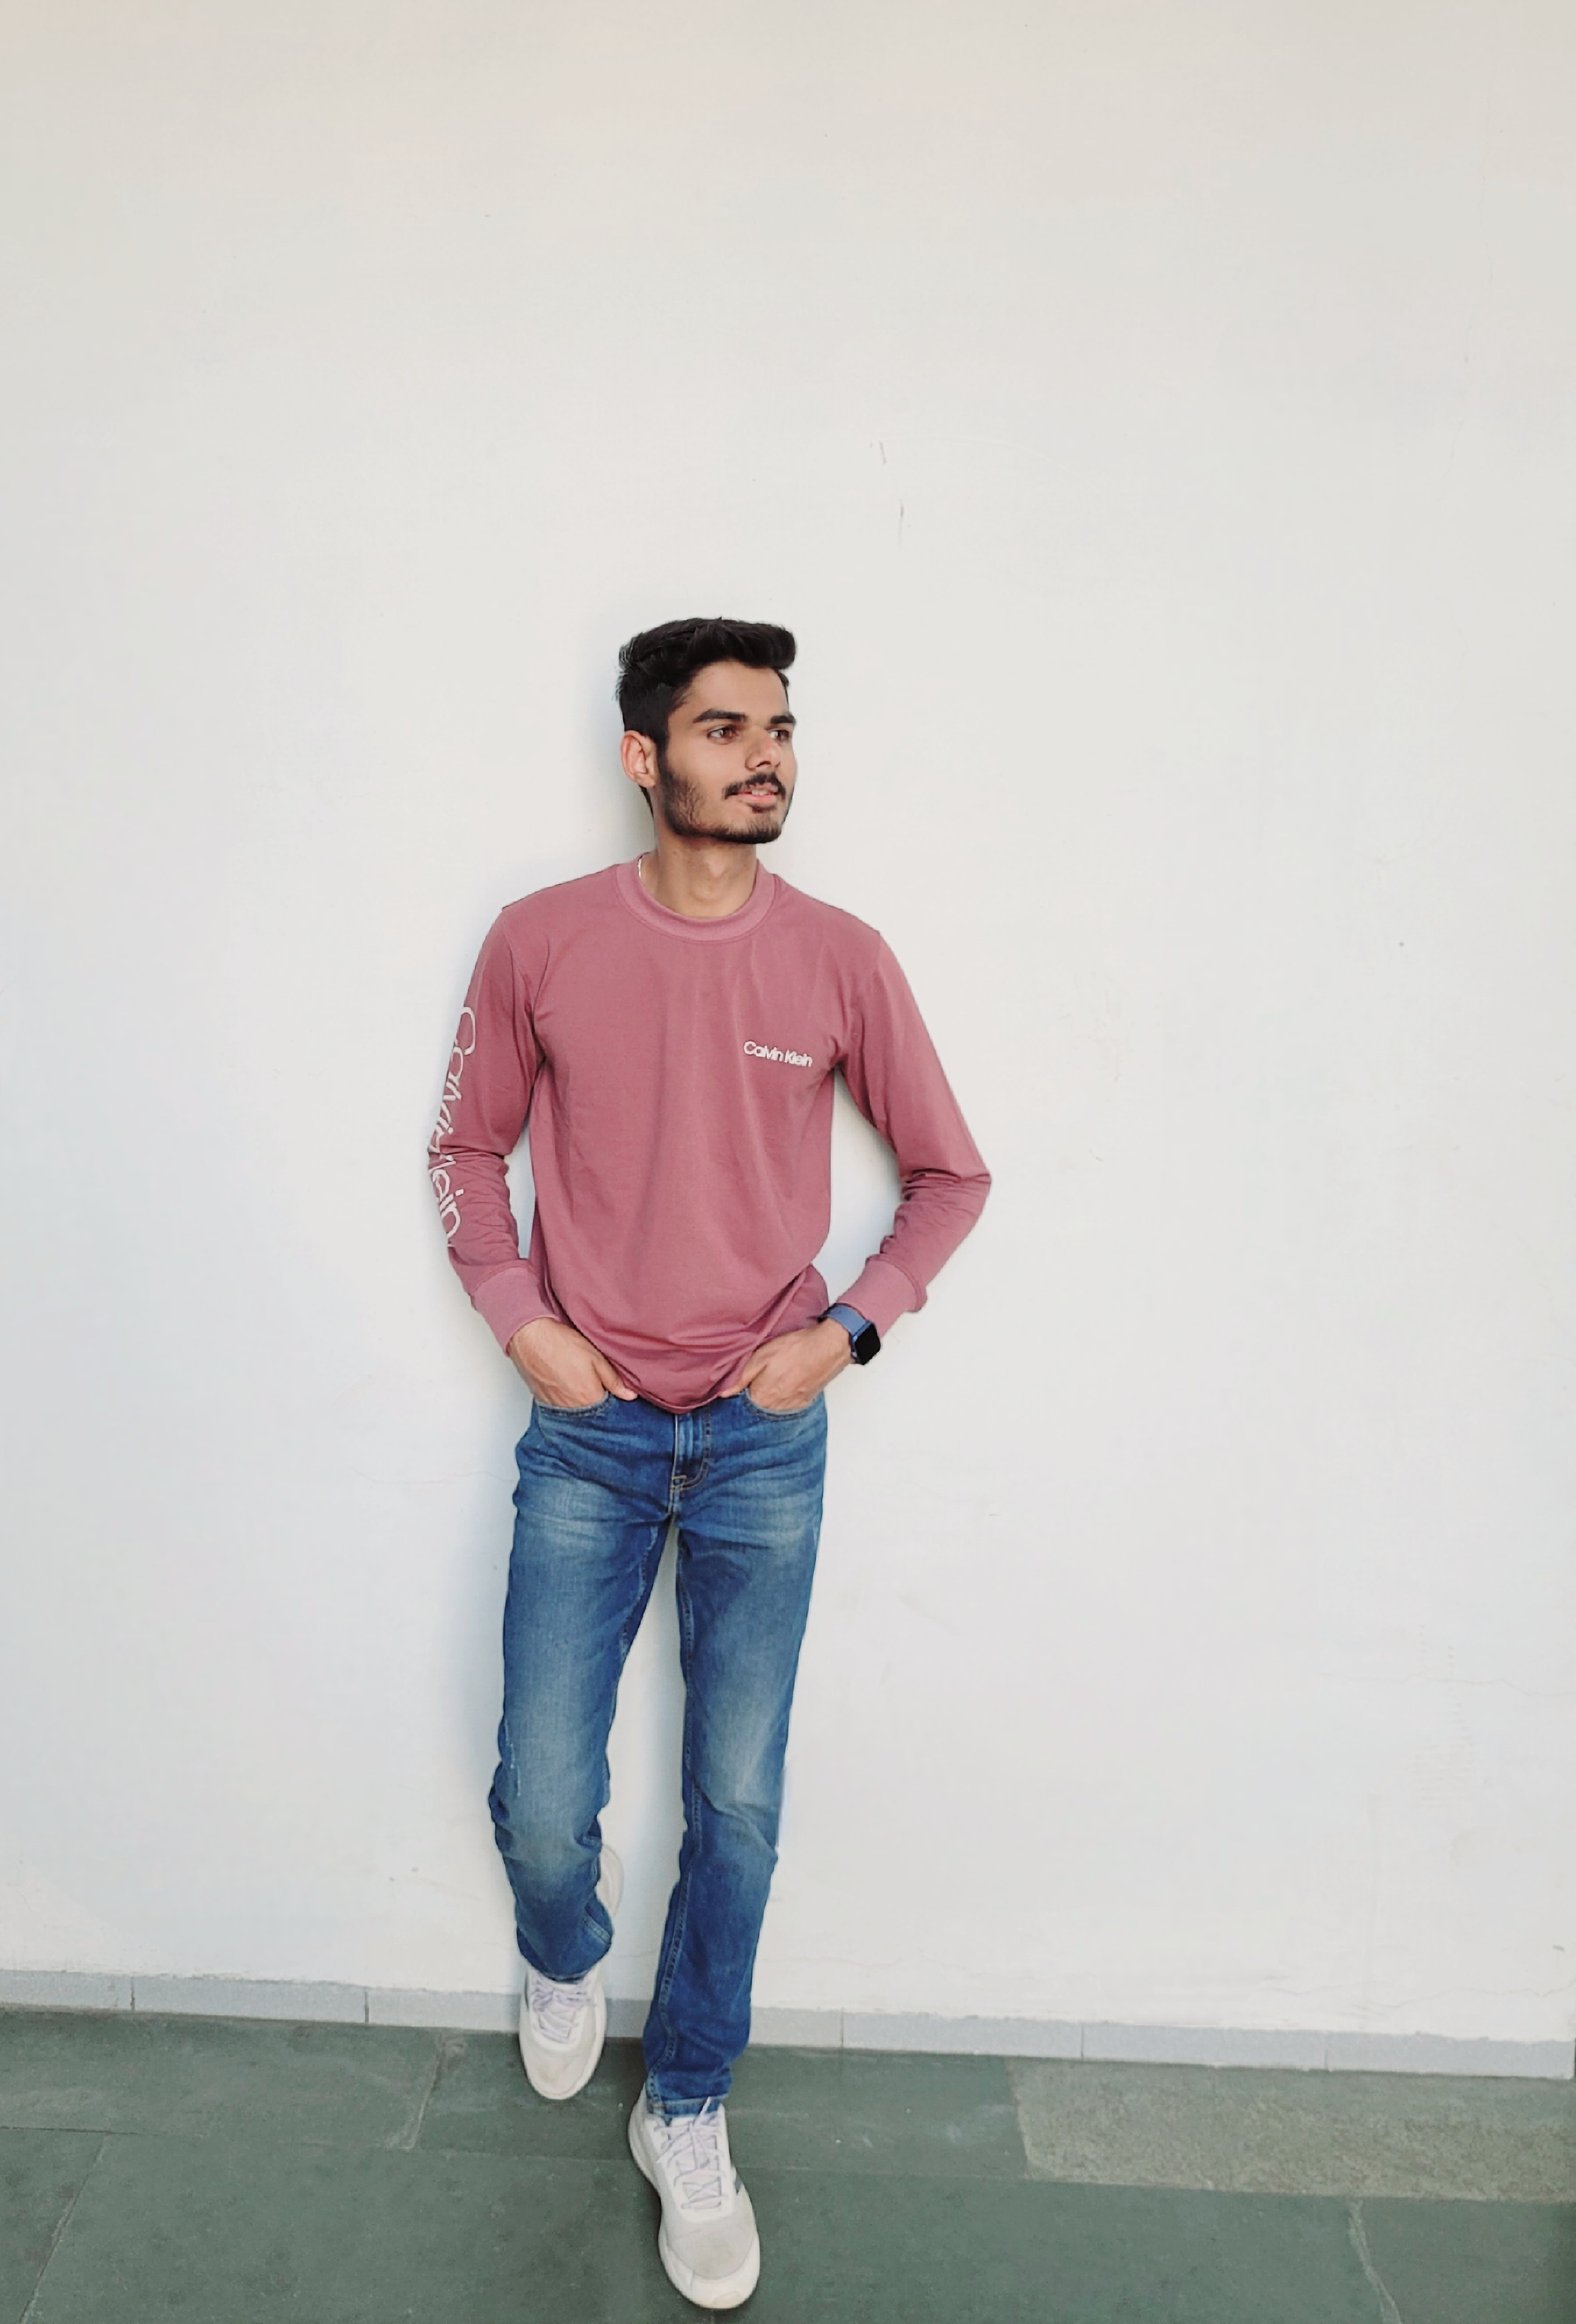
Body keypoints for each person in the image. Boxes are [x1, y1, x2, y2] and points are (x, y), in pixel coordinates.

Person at [427, 616, 991, 2309]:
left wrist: (848, 1333)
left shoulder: (839, 958)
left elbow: (952, 1176)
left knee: (736, 1804)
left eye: (781, 729)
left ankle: (686, 2099)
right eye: (728, 728)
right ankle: (564, 1949)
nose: (766, 757)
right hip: (587, 1432)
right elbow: (464, 1147)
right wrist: (520, 1320)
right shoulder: (541, 940)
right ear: (644, 757)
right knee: (546, 1804)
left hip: (762, 1441)